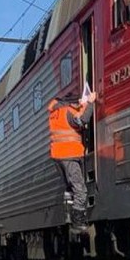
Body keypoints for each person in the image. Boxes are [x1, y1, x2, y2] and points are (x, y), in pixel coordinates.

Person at [48, 89, 96, 233]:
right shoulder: (68, 111)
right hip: (70, 154)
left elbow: (69, 122)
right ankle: (78, 222)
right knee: (80, 190)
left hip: (58, 156)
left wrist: (82, 106)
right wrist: (90, 104)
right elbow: (81, 120)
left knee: (70, 190)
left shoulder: (55, 113)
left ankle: (69, 215)